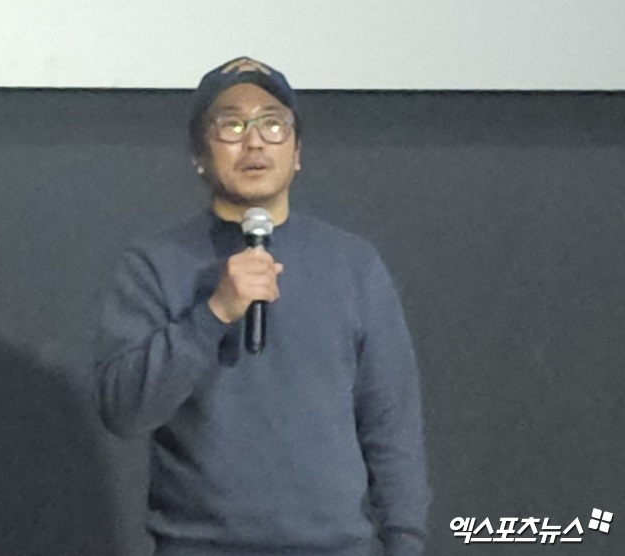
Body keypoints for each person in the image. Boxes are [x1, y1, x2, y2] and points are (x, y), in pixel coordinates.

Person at [94, 56, 430, 556]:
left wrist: (405, 543)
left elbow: (391, 425)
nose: (254, 141)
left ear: (297, 152)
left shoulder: (354, 266)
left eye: (273, 125)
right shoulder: (154, 265)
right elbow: (123, 411)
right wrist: (213, 314)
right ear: (199, 154)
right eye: (232, 125)